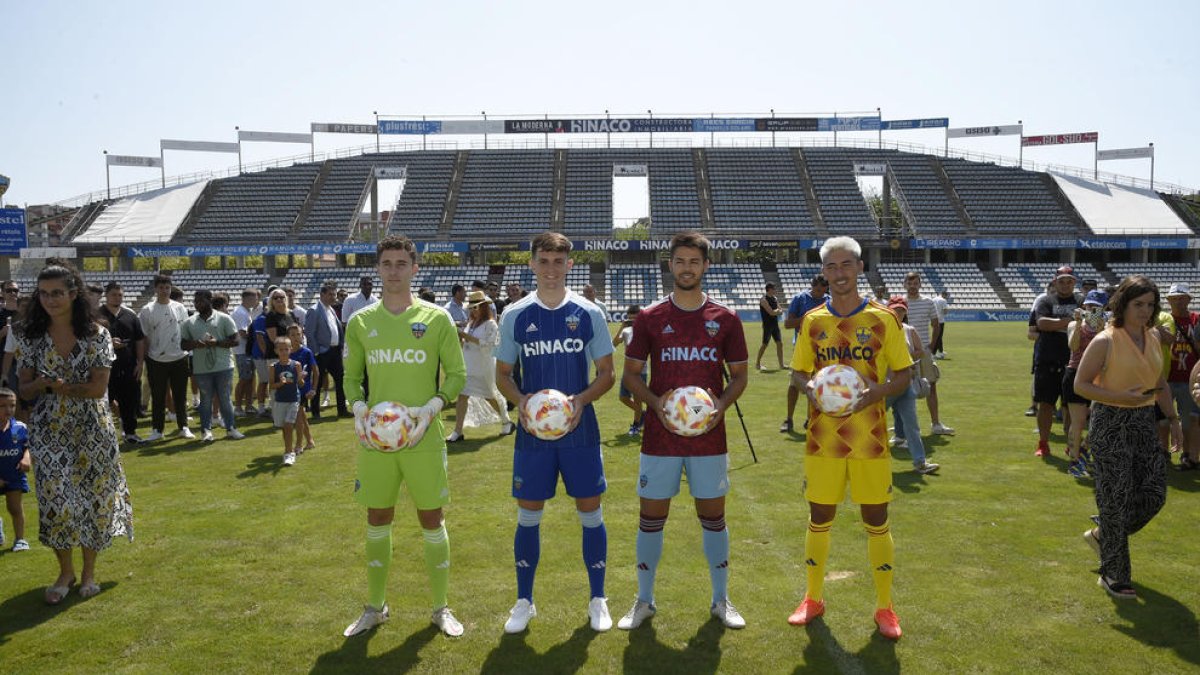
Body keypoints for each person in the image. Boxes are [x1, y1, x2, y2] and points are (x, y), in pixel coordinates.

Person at [617, 231, 749, 631]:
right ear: (670, 266)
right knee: (651, 516)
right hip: (661, 437)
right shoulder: (650, 318)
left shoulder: (725, 319)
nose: (687, 268)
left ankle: (720, 600)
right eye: (680, 261)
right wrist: (657, 405)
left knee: (713, 515)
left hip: (709, 437)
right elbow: (632, 374)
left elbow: (740, 377)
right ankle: (644, 600)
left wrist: (720, 407)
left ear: (706, 266)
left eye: (695, 261)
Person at [786, 236, 912, 640]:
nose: (839, 274)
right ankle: (813, 597)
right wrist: (813, 390)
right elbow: (799, 373)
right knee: (820, 516)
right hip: (822, 438)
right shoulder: (813, 322)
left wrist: (876, 392)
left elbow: (904, 374)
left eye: (846, 265)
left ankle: (885, 607)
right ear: (823, 273)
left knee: (876, 518)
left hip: (869, 437)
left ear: (860, 268)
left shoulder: (883, 319)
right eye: (831, 267)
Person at [342, 235, 467, 639]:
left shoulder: (436, 319)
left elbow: (459, 375)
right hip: (376, 443)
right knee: (377, 517)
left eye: (401, 263)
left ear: (415, 269)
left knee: (431, 518)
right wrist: (359, 409)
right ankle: (375, 607)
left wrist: (433, 408)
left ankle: (440, 608)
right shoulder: (361, 322)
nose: (393, 271)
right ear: (377, 268)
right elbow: (350, 378)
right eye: (387, 263)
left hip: (422, 439)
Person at [495, 231, 615, 634]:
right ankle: (524, 600)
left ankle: (598, 597)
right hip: (532, 434)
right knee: (528, 515)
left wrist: (579, 401)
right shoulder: (515, 314)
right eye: (543, 261)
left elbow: (607, 374)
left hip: (580, 431)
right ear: (532, 264)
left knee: (590, 512)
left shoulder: (588, 313)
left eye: (558, 262)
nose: (550, 269)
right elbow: (503, 376)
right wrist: (523, 405)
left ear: (569, 265)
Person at [16, 262, 133, 603]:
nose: (50, 300)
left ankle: (88, 572)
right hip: (49, 428)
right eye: (43, 293)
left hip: (92, 428)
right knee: (55, 500)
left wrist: (61, 387)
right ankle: (65, 571)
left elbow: (98, 389)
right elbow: (24, 389)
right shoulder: (30, 336)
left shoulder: (97, 335)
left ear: (73, 294)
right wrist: (40, 384)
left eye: (57, 293)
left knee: (93, 498)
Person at [1074, 275, 1181, 600]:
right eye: (1139, 304)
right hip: (1110, 421)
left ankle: (1103, 534)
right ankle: (1114, 575)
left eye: (1150, 305)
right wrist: (1121, 396)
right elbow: (1081, 385)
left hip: (1144, 421)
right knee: (1115, 500)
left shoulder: (1151, 337)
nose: (1145, 311)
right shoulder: (1105, 340)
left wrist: (1173, 419)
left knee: (1154, 494)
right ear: (1123, 303)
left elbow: (1160, 383)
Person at [884, 296, 940, 475]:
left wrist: (909, 358)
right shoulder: (881, 331)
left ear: (905, 311)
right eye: (894, 309)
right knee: (870, 421)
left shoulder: (909, 330)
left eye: (901, 310)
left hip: (906, 384)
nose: (897, 313)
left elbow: (921, 352)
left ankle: (920, 462)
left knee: (912, 425)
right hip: (886, 386)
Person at [180, 289, 244, 443]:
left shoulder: (224, 318)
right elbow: (183, 344)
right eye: (195, 302)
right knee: (205, 401)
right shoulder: (189, 322)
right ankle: (206, 431)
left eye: (201, 301)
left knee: (225, 400)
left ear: (210, 300)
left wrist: (217, 343)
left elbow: (236, 340)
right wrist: (195, 343)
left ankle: (231, 428)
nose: (197, 304)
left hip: (224, 366)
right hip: (202, 368)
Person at [447, 291, 511, 442]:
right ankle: (458, 431)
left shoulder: (491, 324)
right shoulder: (470, 323)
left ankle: (506, 421)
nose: (473, 311)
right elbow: (468, 343)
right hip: (468, 364)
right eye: (471, 308)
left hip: (484, 366)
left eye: (476, 307)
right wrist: (463, 340)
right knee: (462, 395)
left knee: (490, 396)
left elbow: (490, 345)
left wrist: (467, 337)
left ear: (483, 307)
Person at [1033, 266, 1083, 457]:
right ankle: (1043, 443)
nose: (1065, 284)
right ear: (1055, 282)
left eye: (1069, 281)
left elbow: (1090, 322)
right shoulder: (1046, 300)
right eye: (1061, 281)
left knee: (1071, 407)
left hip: (1073, 361)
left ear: (1074, 282)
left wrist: (1057, 323)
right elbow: (1042, 323)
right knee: (1045, 404)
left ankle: (1071, 445)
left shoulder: (1081, 300)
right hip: (1048, 360)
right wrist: (1071, 321)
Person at [139, 274, 193, 441]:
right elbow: (144, 337)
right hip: (156, 359)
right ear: (155, 289)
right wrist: (143, 360)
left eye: (167, 288)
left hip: (179, 358)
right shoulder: (147, 310)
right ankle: (157, 430)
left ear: (171, 289)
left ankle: (183, 427)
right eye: (161, 288)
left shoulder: (180, 308)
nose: (164, 291)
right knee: (158, 396)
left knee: (180, 395)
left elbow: (185, 332)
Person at [1064, 290, 1109, 477]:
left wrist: (1100, 329)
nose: (1092, 310)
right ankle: (1074, 461)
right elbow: (1073, 347)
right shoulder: (1075, 324)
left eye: (1097, 308)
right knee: (1078, 421)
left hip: (1097, 376)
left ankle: (1081, 449)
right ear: (1084, 306)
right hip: (1075, 372)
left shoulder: (1108, 328)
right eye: (1090, 306)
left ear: (1104, 309)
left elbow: (1105, 351)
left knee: (1098, 422)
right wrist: (1080, 322)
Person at [903, 272, 954, 436]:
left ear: (920, 285)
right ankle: (903, 428)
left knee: (931, 386)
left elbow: (936, 325)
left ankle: (936, 424)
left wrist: (931, 346)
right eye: (910, 283)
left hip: (924, 351)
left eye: (915, 283)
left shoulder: (928, 302)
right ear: (905, 285)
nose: (913, 286)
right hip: (905, 352)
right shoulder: (901, 303)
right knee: (903, 390)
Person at [98, 282, 146, 445]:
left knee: (129, 401)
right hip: (103, 367)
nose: (117, 297)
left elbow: (139, 340)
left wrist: (140, 363)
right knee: (103, 401)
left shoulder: (130, 315)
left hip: (128, 365)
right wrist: (109, 342)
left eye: (120, 295)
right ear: (106, 295)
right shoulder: (97, 315)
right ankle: (102, 435)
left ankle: (131, 433)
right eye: (114, 294)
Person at [781, 275, 828, 433]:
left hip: (823, 350)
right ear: (812, 286)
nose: (819, 293)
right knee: (794, 384)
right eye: (816, 290)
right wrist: (808, 319)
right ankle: (788, 419)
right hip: (802, 348)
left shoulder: (829, 301)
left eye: (822, 290)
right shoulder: (800, 299)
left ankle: (811, 419)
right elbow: (788, 324)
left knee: (817, 384)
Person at [1164, 283, 1200, 470]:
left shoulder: (1197, 320)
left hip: (1189, 377)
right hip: (1166, 377)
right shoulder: (1164, 320)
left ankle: (1188, 455)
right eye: (1174, 298)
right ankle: (1163, 453)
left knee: (1189, 420)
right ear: (1168, 300)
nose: (1178, 301)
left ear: (1189, 299)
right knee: (1163, 419)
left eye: (1181, 297)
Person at [305, 281, 349, 419]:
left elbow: (337, 329)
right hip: (322, 352)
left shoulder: (331, 310)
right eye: (330, 294)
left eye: (334, 294)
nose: (333, 297)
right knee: (317, 383)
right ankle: (315, 412)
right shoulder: (314, 310)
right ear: (322, 294)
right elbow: (310, 333)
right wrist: (317, 352)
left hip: (335, 352)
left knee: (340, 380)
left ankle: (342, 410)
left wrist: (341, 345)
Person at [0, 387, 31, 552]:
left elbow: (27, 447)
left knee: (15, 507)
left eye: (11, 405)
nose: (8, 409)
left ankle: (20, 539)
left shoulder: (20, 427)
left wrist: (26, 458)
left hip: (14, 473)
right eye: (3, 406)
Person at [269, 336, 303, 466]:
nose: (284, 352)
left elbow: (300, 384)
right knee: (284, 427)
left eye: (286, 349)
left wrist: (300, 378)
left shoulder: (296, 365)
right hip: (280, 400)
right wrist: (280, 383)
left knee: (288, 425)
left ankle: (289, 453)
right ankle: (288, 449)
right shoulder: (274, 366)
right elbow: (271, 385)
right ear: (276, 351)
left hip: (294, 399)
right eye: (281, 349)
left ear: (291, 349)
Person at [612, 305, 646, 436]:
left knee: (638, 399)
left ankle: (636, 426)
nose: (632, 320)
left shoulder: (644, 329)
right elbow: (614, 344)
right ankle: (643, 415)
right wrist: (622, 326)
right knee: (623, 397)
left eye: (635, 318)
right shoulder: (626, 330)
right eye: (630, 318)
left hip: (640, 370)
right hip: (627, 370)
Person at [287, 324, 318, 454]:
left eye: (298, 334)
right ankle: (310, 440)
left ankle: (299, 444)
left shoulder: (306, 352)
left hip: (303, 390)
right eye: (292, 335)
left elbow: (316, 372)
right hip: (290, 389)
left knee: (298, 417)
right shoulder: (286, 352)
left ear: (302, 335)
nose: (295, 337)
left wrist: (314, 389)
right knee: (301, 416)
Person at [231, 288, 260, 416]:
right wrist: (257, 338)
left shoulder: (245, 311)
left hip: (246, 350)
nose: (257, 300)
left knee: (249, 379)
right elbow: (242, 333)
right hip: (242, 351)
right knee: (244, 379)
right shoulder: (240, 313)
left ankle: (248, 406)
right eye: (255, 298)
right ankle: (238, 407)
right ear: (248, 298)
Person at [756, 282, 785, 371]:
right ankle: (757, 364)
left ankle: (781, 365)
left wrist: (777, 311)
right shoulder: (763, 300)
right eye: (774, 288)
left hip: (775, 325)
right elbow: (771, 312)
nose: (775, 290)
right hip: (767, 325)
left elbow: (781, 310)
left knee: (779, 343)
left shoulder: (774, 299)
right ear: (769, 289)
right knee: (765, 344)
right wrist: (777, 311)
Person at [931, 291, 949, 359]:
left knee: (938, 336)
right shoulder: (943, 300)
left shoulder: (934, 299)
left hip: (934, 319)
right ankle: (933, 353)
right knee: (938, 337)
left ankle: (941, 352)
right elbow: (945, 311)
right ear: (944, 295)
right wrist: (946, 311)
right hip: (940, 320)